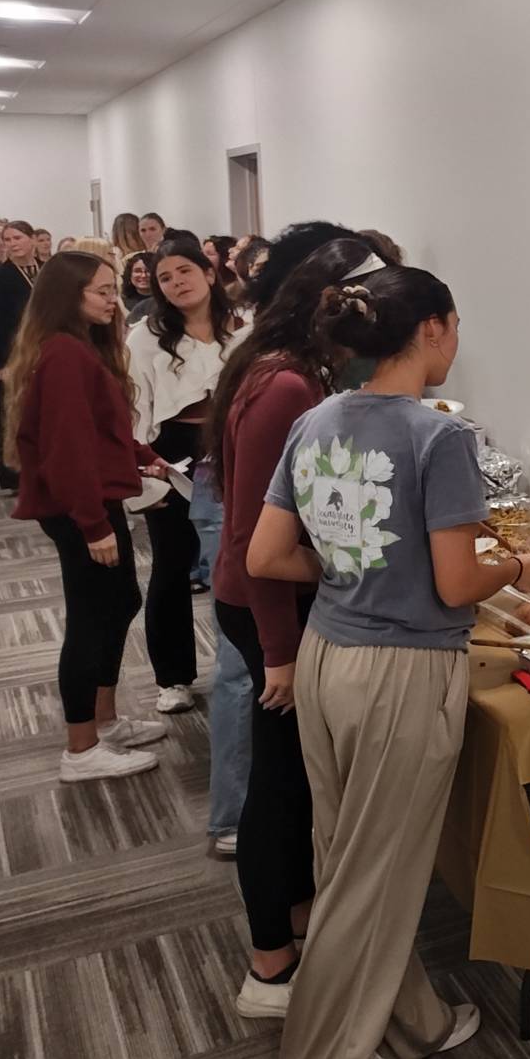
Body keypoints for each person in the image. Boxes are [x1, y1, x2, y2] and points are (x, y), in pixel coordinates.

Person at [246, 267, 530, 1059]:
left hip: (326, 658)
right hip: (401, 674)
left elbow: (266, 556)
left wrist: (355, 568)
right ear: (434, 328)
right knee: (374, 877)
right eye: (457, 325)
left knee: (347, 858)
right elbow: (456, 583)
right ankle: (321, 1046)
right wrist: (519, 570)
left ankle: (415, 1021)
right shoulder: (438, 435)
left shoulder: (314, 422)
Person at [210, 234, 385, 1015]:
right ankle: (268, 966)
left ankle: (299, 918)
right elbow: (255, 544)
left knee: (299, 780)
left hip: (272, 604)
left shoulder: (290, 370)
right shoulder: (284, 387)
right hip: (266, 610)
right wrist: (279, 656)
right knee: (279, 787)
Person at [4, 251, 171, 782]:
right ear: (69, 296)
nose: (112, 300)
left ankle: (105, 720)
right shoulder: (64, 356)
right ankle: (80, 749)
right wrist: (93, 524)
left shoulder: (78, 350)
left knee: (121, 600)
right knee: (91, 617)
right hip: (81, 508)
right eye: (101, 291)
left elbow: (99, 429)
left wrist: (143, 457)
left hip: (93, 500)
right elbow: (67, 448)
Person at [129, 237, 246, 712]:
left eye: (185, 271)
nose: (177, 282)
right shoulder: (145, 336)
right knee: (173, 563)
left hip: (236, 447)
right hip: (173, 452)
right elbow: (135, 408)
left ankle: (243, 665)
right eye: (165, 278)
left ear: (209, 273)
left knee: (237, 561)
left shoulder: (246, 327)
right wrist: (144, 477)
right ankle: (172, 676)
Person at [0, 221, 43, 491]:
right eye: (7, 240)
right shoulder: (0, 278)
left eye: (17, 237)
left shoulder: (47, 270)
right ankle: (11, 473)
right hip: (14, 354)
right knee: (12, 413)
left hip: (44, 349)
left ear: (32, 239)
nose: (12, 243)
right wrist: (3, 363)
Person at [123, 251, 156, 322]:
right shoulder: (122, 302)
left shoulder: (165, 300)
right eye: (138, 271)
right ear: (130, 274)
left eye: (148, 271)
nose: (143, 275)